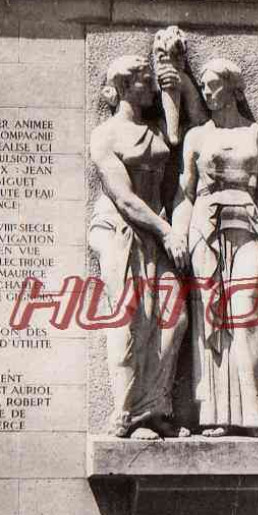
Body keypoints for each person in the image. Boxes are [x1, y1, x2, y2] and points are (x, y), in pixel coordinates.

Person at [170, 57, 258, 439]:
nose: (207, 92)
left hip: (250, 229)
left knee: (245, 313)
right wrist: (178, 237)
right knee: (211, 318)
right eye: (205, 86)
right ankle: (215, 417)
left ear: (232, 88)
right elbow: (185, 195)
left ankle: (255, 417)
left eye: (213, 85)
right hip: (205, 229)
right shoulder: (196, 137)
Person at [88, 44, 203, 439]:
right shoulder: (105, 136)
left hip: (158, 229)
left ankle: (154, 410)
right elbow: (123, 198)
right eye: (143, 79)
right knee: (131, 317)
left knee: (175, 316)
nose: (150, 84)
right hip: (122, 229)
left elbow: (184, 137)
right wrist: (168, 231)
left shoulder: (154, 130)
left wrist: (178, 81)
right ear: (123, 87)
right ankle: (124, 412)